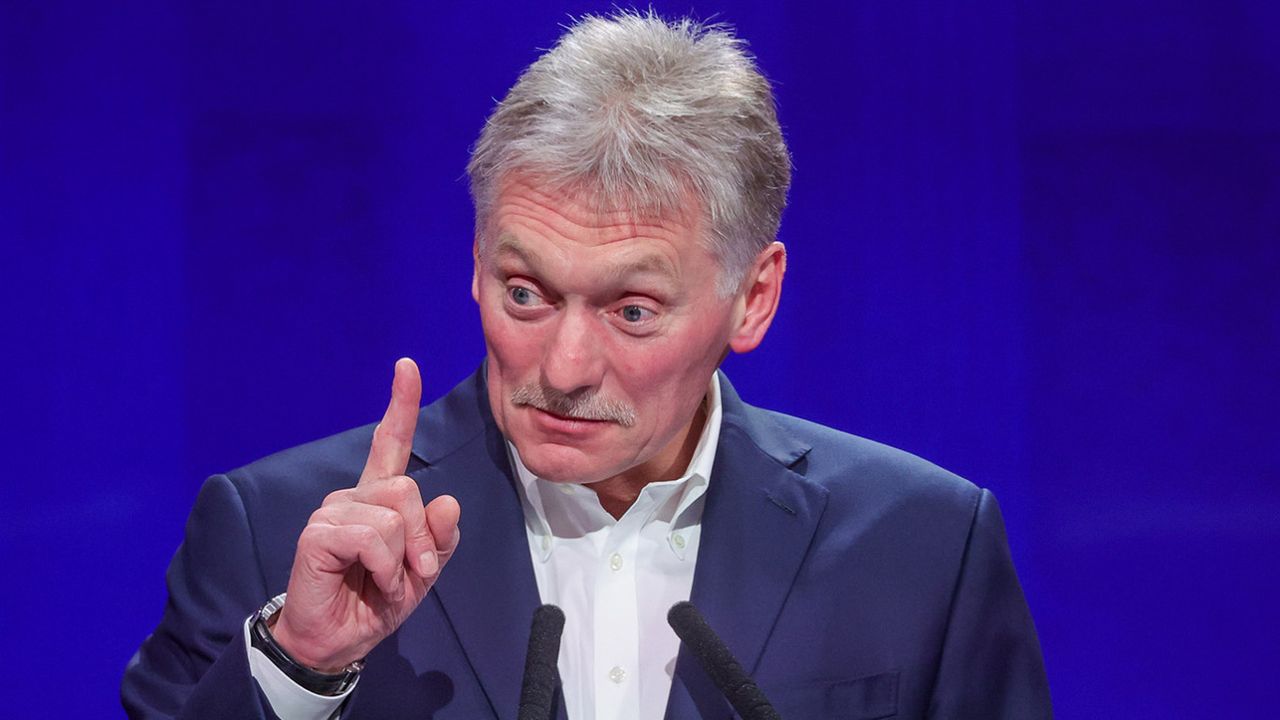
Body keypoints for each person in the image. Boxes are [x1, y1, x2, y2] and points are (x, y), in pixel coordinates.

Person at [122, 11, 1051, 720]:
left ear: (754, 297)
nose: (563, 368)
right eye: (526, 293)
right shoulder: (277, 533)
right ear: (476, 264)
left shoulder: (923, 547)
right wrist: (300, 665)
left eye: (632, 310)